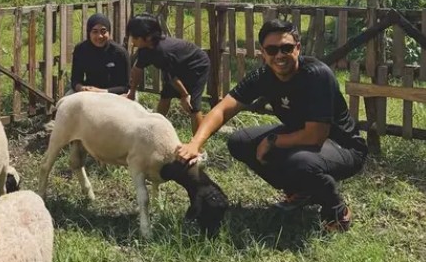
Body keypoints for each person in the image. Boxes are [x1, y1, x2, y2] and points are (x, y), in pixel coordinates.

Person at [177, 18, 367, 232]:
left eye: (286, 48)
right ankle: (299, 191)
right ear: (263, 53)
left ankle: (337, 211)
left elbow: (315, 136)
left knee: (302, 162)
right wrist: (194, 144)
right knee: (240, 142)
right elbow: (222, 109)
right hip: (303, 137)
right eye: (272, 49)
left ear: (298, 48)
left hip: (344, 147)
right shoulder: (263, 76)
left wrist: (273, 141)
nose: (279, 55)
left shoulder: (316, 75)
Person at [126, 14, 210, 134]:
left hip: (196, 65)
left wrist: (185, 95)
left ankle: (198, 147)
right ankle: (154, 130)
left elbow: (172, 78)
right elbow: (137, 70)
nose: (132, 40)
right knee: (166, 95)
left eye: (134, 37)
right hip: (176, 66)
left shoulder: (163, 52)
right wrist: (132, 92)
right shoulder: (145, 49)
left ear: (148, 37)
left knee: (193, 106)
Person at [69, 13, 130, 95]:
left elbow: (125, 87)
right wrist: (81, 88)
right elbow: (75, 80)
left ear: (109, 32)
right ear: (89, 33)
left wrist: (101, 91)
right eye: (95, 32)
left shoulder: (120, 53)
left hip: (114, 94)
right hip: (88, 92)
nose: (99, 36)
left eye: (103, 31)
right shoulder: (81, 49)